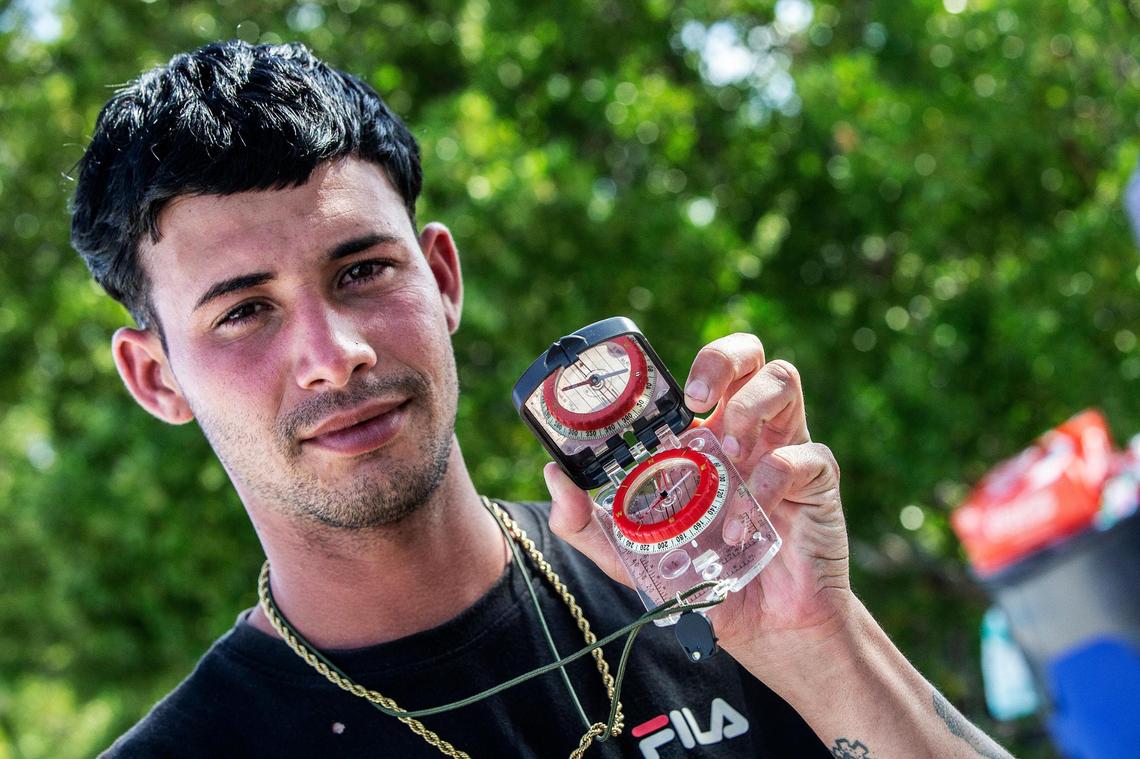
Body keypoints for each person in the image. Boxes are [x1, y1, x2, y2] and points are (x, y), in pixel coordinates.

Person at [70, 40, 1014, 759]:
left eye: (362, 269)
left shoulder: (708, 577)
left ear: (441, 275)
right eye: (244, 312)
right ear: (156, 377)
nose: (335, 353)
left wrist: (823, 643)